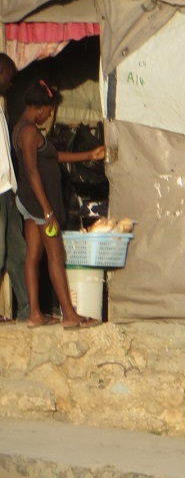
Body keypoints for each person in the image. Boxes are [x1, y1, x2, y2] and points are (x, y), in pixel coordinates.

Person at [12, 79, 105, 329]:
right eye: (49, 112)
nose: (48, 117)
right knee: (55, 255)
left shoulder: (20, 128)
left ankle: (34, 314)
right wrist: (48, 210)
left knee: (33, 256)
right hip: (39, 204)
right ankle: (69, 314)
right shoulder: (30, 132)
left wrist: (88, 154)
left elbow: (53, 156)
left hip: (28, 202)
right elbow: (32, 171)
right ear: (41, 107)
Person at [0, 52, 28, 323]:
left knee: (17, 252)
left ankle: (26, 311)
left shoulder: (0, 106)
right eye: (9, 74)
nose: (11, 81)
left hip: (7, 191)